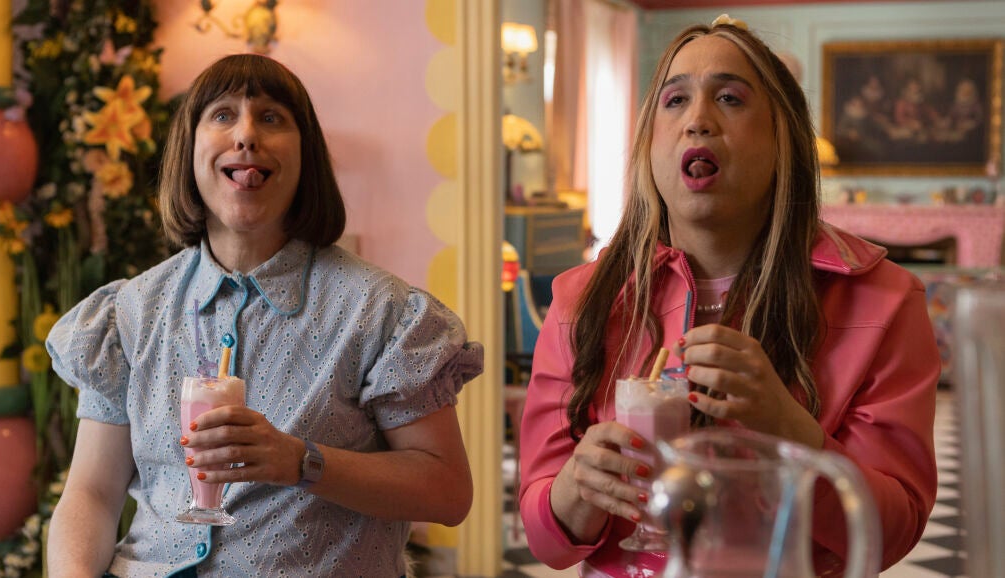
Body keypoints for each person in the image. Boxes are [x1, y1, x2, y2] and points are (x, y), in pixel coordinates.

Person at [519, 14, 938, 578]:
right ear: (648, 145)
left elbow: (893, 532)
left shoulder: (885, 300)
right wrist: (577, 489)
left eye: (730, 98)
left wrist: (786, 425)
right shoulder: (582, 301)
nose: (697, 120)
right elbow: (547, 544)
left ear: (783, 137)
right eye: (675, 101)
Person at [45, 54, 483, 577]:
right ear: (189, 150)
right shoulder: (130, 313)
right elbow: (92, 493)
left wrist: (301, 461)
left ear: (305, 156)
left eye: (272, 117)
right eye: (223, 115)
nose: (247, 135)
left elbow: (446, 492)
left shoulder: (382, 313)